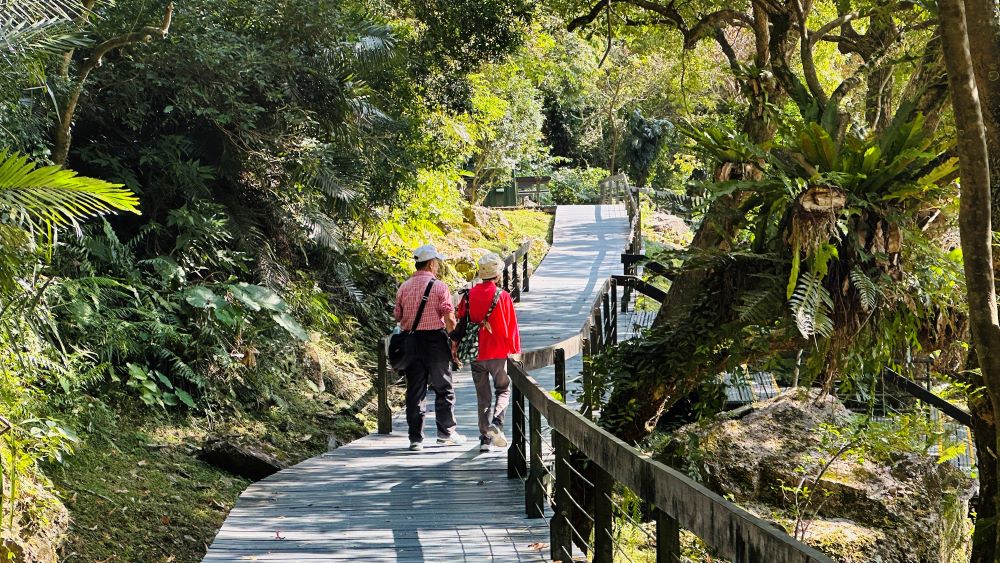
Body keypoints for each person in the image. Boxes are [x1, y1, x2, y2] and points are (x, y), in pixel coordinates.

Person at [393, 244, 467, 451]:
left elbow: (397, 315)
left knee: (415, 390)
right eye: (437, 263)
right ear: (432, 263)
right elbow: (448, 316)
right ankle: (446, 433)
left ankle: (415, 438)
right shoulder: (439, 287)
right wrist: (454, 340)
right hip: (435, 341)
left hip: (410, 342)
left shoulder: (404, 287)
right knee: (443, 387)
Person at [455, 253, 520, 452]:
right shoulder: (503, 296)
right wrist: (515, 352)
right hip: (499, 352)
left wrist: (455, 348)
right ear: (498, 275)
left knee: (483, 397)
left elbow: (461, 321)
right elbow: (512, 327)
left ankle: (485, 438)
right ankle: (496, 424)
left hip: (476, 353)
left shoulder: (468, 295)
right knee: (503, 390)